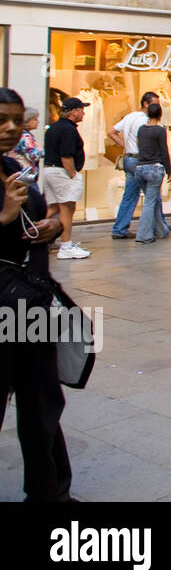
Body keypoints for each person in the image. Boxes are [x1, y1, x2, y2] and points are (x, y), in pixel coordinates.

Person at [0, 87, 74, 502]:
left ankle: (50, 492)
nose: (10, 129)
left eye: (15, 120)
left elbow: (35, 223)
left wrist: (47, 229)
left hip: (29, 304)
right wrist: (4, 216)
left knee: (42, 401)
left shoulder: (13, 166)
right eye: (0, 121)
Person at [107, 92, 162, 240]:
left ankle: (119, 228)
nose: (158, 106)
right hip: (141, 160)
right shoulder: (146, 121)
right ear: (146, 104)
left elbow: (111, 132)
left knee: (130, 196)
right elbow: (143, 140)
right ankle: (159, 227)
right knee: (153, 196)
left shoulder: (130, 116)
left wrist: (125, 146)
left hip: (129, 159)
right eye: (155, 103)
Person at [41, 96, 90, 261]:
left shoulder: (54, 127)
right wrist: (73, 175)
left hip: (50, 171)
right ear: (74, 111)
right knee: (67, 209)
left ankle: (30, 234)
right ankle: (66, 246)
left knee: (54, 208)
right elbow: (66, 155)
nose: (83, 113)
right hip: (62, 172)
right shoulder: (68, 129)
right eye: (81, 109)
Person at [133, 103, 171, 244]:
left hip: (140, 169)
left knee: (154, 200)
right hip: (154, 169)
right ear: (160, 114)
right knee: (150, 202)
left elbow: (139, 145)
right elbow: (164, 151)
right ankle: (144, 234)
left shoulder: (141, 130)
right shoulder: (160, 131)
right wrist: (169, 170)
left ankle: (162, 230)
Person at [13, 108, 42, 175]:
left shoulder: (18, 134)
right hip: (26, 174)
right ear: (27, 121)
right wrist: (41, 149)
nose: (38, 122)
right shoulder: (26, 137)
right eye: (35, 119)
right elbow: (33, 155)